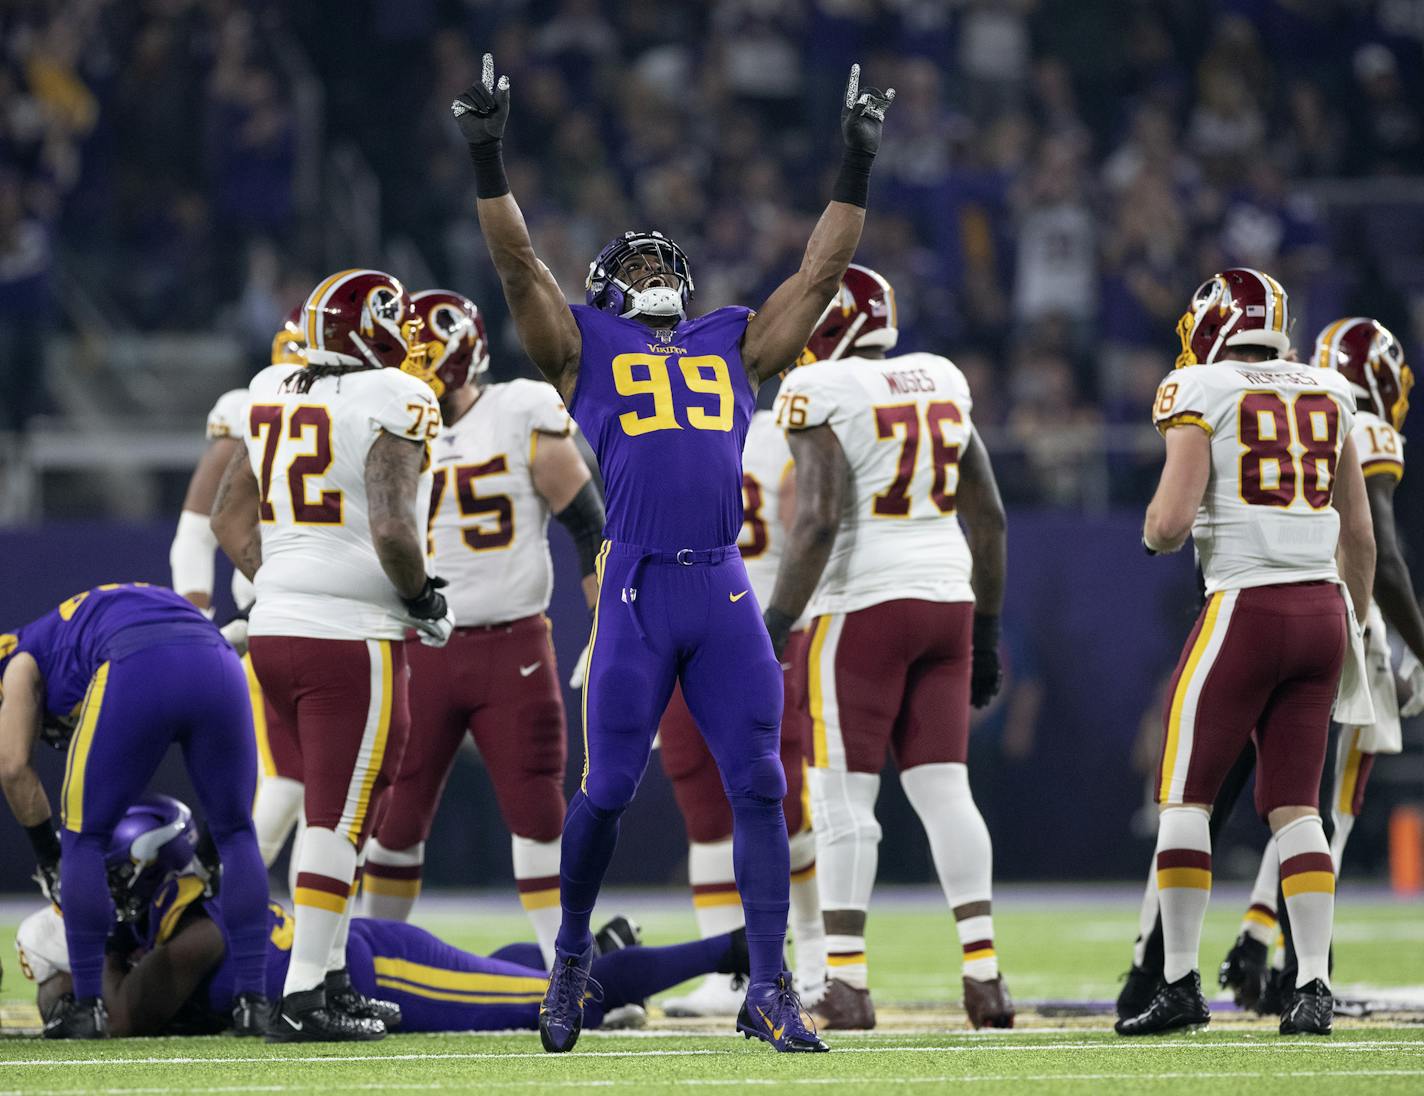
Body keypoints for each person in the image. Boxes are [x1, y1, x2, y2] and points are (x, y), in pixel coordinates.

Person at [450, 53, 894, 1053]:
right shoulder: (579, 348)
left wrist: (853, 163)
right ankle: (566, 960)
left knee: (762, 787)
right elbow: (519, 264)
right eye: (636, 268)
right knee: (606, 788)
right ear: (610, 291)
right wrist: (486, 154)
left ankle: (771, 986)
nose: (654, 276)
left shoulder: (733, 341)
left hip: (722, 581)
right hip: (639, 586)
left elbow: (819, 272)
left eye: (664, 266)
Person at [1119, 268, 1375, 1038]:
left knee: (1185, 797)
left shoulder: (1201, 386)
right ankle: (1315, 987)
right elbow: (1358, 535)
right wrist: (1352, 626)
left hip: (1245, 606)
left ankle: (1177, 984)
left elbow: (1168, 523)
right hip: (1323, 611)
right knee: (1298, 807)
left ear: (1212, 323)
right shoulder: (1331, 390)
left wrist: (1155, 532)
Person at [764, 264, 1013, 1031]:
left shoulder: (820, 392)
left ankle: (845, 982)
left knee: (844, 802)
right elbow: (992, 517)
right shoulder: (940, 376)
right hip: (947, 597)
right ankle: (985, 976)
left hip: (863, 606)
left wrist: (770, 630)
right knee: (945, 792)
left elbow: (817, 522)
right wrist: (988, 631)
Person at [210, 268, 455, 1042]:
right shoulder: (394, 398)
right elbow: (391, 528)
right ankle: (304, 994)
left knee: (335, 812)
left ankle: (334, 974)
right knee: (340, 818)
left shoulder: (272, 387)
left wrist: (281, 583)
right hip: (350, 637)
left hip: (278, 631)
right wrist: (423, 598)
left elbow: (226, 518)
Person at [15, 797, 751, 1038]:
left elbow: (124, 1015)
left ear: (145, 873)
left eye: (111, 878)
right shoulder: (164, 920)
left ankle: (734, 947)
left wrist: (70, 947)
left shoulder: (194, 933)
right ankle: (599, 947)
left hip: (384, 970)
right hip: (374, 953)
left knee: (572, 1004)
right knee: (514, 979)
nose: (94, 890)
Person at [364, 289, 605, 971]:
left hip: (512, 646)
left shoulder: (519, 411)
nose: (410, 366)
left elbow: (587, 524)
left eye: (422, 353)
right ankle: (377, 964)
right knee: (397, 814)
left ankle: (567, 970)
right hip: (423, 643)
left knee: (537, 808)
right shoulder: (389, 418)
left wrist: (606, 624)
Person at [1215, 316, 1423, 1003]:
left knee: (1292, 799)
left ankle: (1253, 935)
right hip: (1333, 617)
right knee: (1328, 803)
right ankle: (1301, 962)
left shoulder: (1300, 403)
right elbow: (1379, 554)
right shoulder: (1355, 420)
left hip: (1266, 606)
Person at [0, 584, 270, 1038]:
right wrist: (207, 854)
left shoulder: (18, 660)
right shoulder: (82, 622)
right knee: (238, 833)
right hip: (217, 656)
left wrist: (49, 856)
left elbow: (12, 768)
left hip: (136, 664)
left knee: (84, 838)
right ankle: (254, 1003)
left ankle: (88, 1008)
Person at [656, 408, 825, 1017]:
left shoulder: (788, 426)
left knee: (784, 801)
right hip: (683, 628)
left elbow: (806, 523)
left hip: (763, 630)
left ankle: (814, 960)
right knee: (701, 804)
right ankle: (725, 971)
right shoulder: (666, 428)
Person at [169, 307, 308, 879]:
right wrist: (199, 623)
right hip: (273, 613)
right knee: (288, 778)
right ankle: (207, 900)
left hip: (344, 613)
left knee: (347, 787)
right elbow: (194, 537)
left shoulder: (369, 405)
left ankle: (326, 938)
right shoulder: (250, 408)